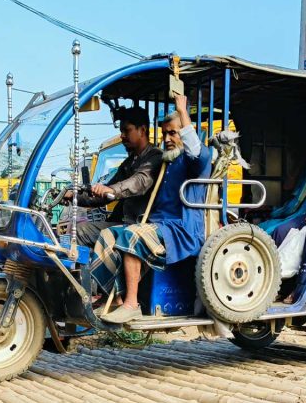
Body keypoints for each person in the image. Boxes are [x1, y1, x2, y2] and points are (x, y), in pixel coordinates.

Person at [90, 94, 211, 324]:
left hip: (181, 231)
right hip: (158, 226)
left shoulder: (196, 160)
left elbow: (194, 147)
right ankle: (115, 298)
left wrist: (182, 111)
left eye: (172, 133)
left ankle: (131, 304)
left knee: (131, 235)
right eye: (164, 133)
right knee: (108, 235)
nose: (166, 138)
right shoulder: (168, 161)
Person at [70, 107, 162, 246]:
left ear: (142, 130)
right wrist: (74, 196)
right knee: (77, 227)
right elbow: (103, 194)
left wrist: (112, 190)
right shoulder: (129, 162)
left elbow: (139, 181)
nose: (122, 136)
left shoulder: (155, 157)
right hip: (125, 222)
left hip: (141, 225)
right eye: (121, 131)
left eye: (127, 130)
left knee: (80, 231)